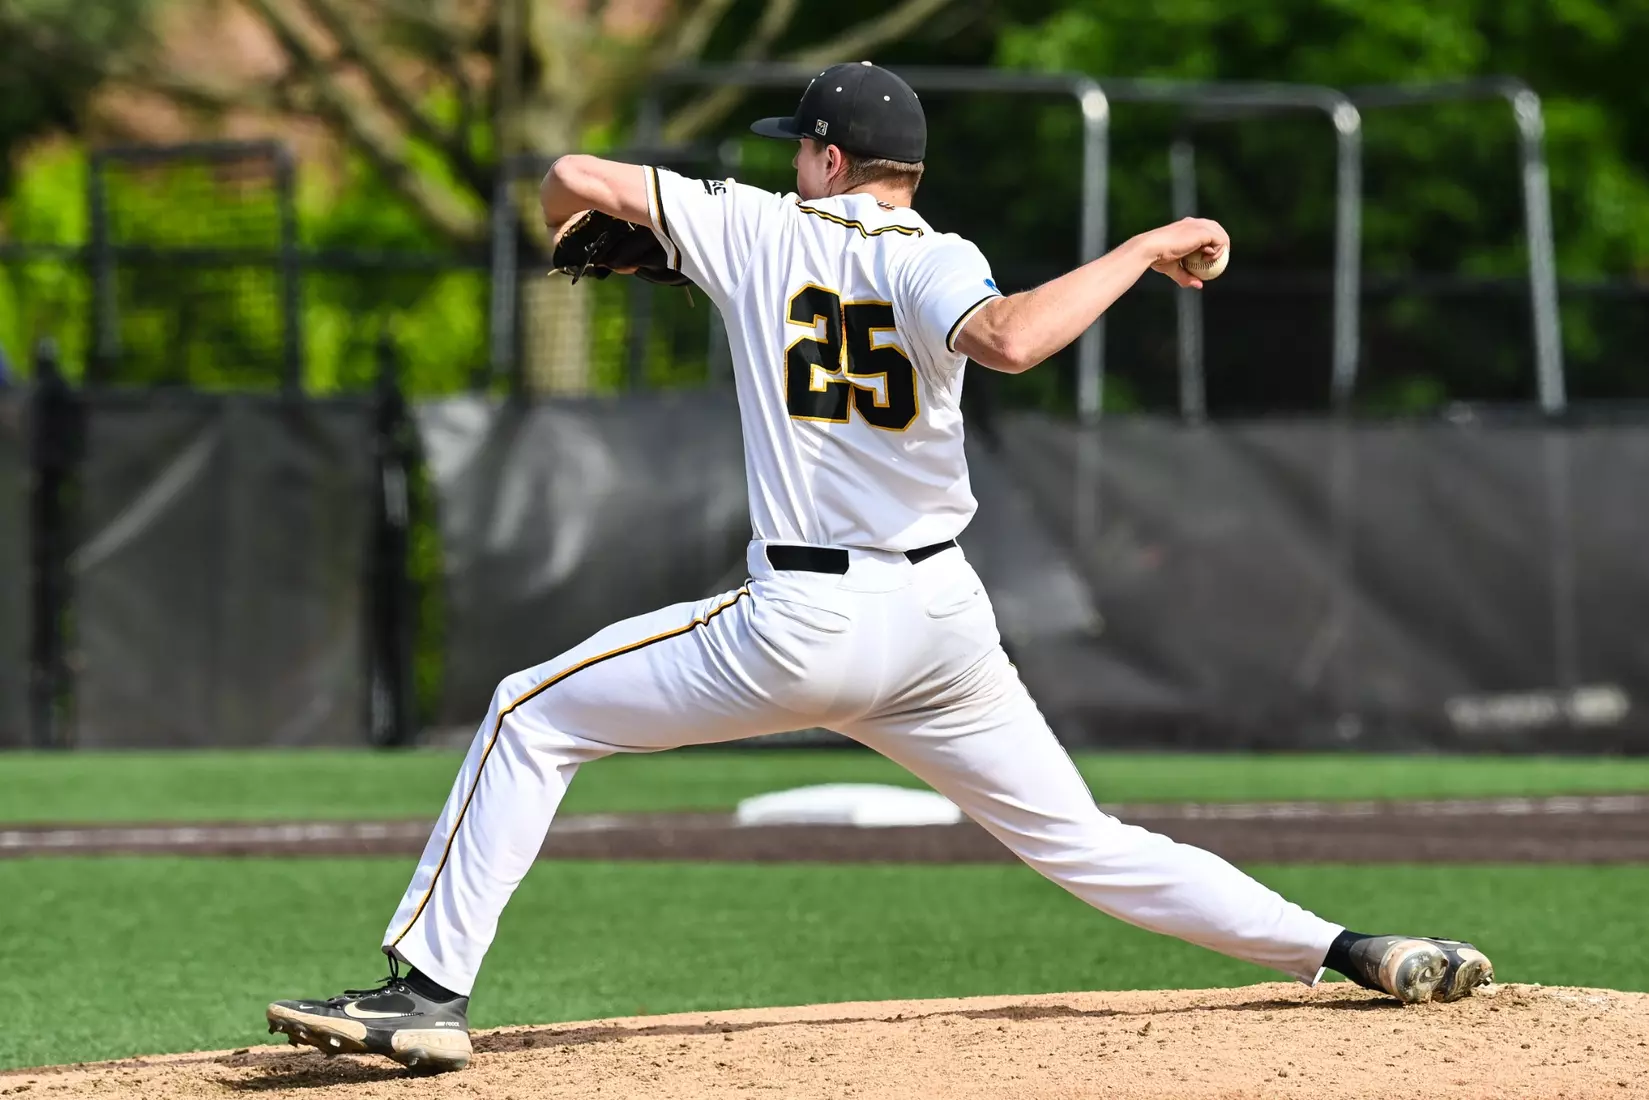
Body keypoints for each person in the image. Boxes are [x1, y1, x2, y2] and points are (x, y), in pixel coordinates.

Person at [267, 62, 1493, 1074]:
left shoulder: (752, 225)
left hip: (801, 617)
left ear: (829, 160)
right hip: (941, 622)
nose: (793, 160)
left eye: (801, 145)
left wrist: (621, 234)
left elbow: (570, 179)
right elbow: (1008, 337)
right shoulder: (932, 253)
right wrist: (1142, 248)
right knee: (1083, 837)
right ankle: (1349, 947)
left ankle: (424, 993)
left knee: (528, 710)